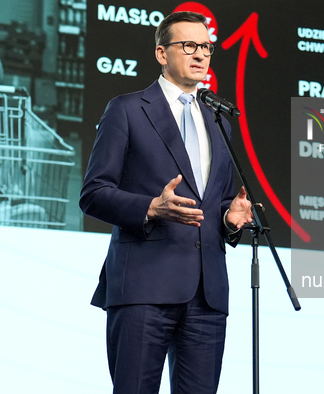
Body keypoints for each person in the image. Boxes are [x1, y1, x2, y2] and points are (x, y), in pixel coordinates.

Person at [79, 11, 252, 394]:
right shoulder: (127, 109)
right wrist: (150, 208)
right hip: (143, 286)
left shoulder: (219, 119)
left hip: (207, 295)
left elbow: (217, 201)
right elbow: (93, 193)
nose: (200, 54)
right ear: (161, 53)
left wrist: (230, 217)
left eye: (206, 46)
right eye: (188, 45)